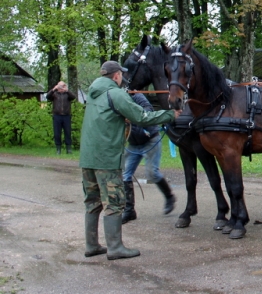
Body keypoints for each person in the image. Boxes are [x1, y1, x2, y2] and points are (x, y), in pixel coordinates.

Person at [79, 61, 176, 260]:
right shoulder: (116, 94)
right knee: (114, 202)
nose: (122, 77)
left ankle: (92, 245)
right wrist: (170, 114)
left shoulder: (93, 93)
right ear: (116, 75)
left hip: (87, 158)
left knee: (92, 202)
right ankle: (115, 248)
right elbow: (142, 117)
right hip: (106, 159)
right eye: (121, 74)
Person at [121, 92, 176, 224]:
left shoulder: (138, 97)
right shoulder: (118, 101)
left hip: (150, 140)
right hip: (133, 144)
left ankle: (169, 197)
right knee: (124, 174)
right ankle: (129, 210)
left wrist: (131, 116)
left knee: (152, 173)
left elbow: (148, 112)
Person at [45, 80, 76, 154]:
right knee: (57, 133)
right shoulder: (55, 94)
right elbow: (47, 96)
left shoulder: (67, 94)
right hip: (57, 116)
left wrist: (67, 90)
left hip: (66, 116)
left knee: (68, 132)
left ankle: (68, 149)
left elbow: (73, 97)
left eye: (62, 86)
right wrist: (53, 89)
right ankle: (58, 149)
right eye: (60, 86)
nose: (61, 87)